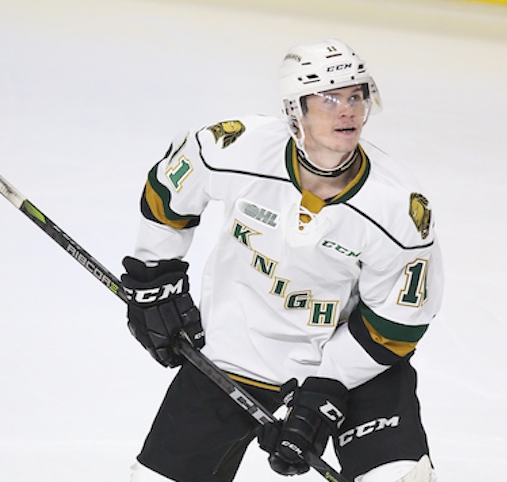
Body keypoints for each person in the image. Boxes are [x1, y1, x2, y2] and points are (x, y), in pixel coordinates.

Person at [121, 38, 444, 482]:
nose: (347, 111)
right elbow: (169, 190)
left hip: (352, 368)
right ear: (295, 109)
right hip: (234, 355)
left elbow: (396, 326)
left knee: (402, 479)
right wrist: (154, 273)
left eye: (355, 96)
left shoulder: (397, 207)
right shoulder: (238, 148)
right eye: (330, 99)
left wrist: (329, 386)